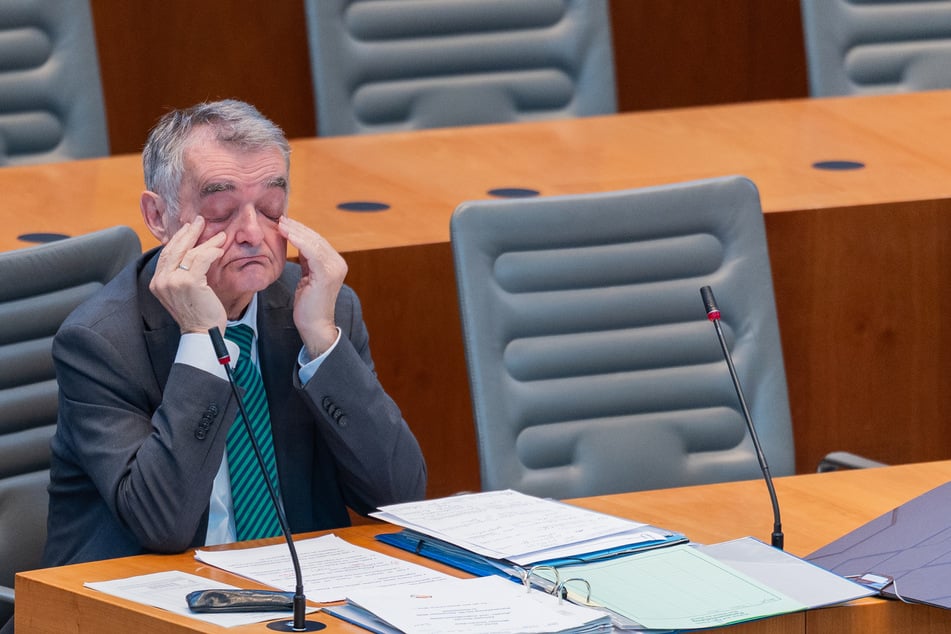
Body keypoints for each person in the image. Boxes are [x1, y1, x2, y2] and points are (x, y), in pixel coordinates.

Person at [41, 99, 427, 567]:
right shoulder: (101, 342)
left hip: (297, 591)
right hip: (144, 597)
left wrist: (323, 343)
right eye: (222, 210)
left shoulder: (321, 308)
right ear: (159, 216)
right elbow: (162, 526)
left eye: (269, 207)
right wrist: (202, 340)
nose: (252, 233)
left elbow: (401, 498)